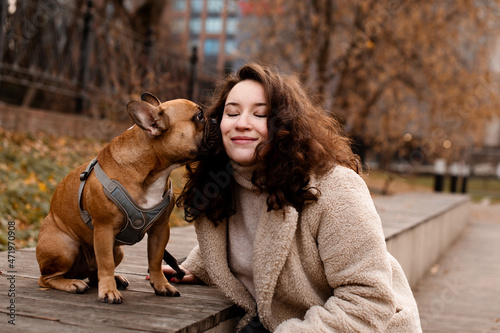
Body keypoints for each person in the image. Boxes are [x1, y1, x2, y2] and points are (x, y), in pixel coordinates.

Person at [164, 63, 422, 332]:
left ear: (284, 125)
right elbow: (254, 243)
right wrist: (203, 265)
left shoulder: (335, 188)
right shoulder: (221, 182)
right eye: (232, 113)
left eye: (260, 114)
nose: (242, 123)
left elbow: (369, 301)